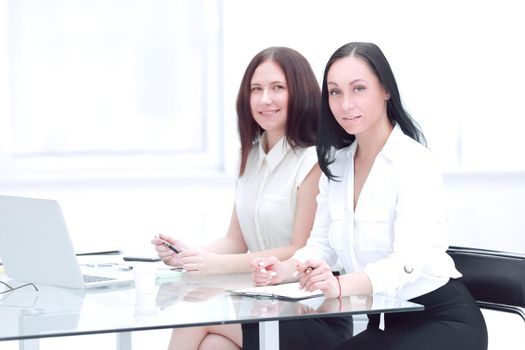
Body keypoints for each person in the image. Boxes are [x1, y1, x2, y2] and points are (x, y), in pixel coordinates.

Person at [251, 42, 488, 350]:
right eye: (335, 92)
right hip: (385, 323)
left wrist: (338, 285)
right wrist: (285, 270)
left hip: (441, 321)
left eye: (359, 89)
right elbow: (322, 244)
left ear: (386, 90)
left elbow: (408, 260)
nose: (345, 104)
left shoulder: (414, 163)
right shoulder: (337, 165)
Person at [152, 47, 352, 349]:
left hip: (310, 310)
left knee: (196, 315)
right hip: (261, 303)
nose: (264, 99)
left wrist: (216, 265)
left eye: (277, 88)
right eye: (255, 89)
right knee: (212, 346)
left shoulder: (313, 160)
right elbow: (235, 239)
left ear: (300, 93)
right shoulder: (250, 156)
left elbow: (298, 248)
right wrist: (190, 257)